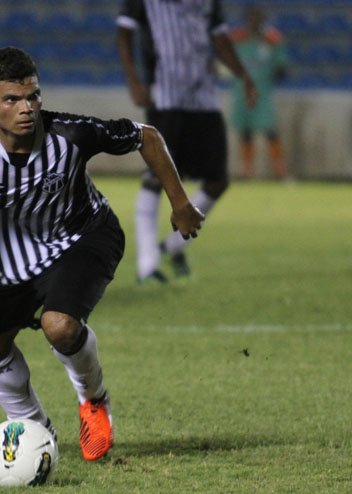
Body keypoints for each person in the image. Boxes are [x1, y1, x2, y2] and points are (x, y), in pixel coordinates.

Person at [0, 47, 204, 461]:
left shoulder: (70, 133)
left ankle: (93, 400)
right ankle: (33, 430)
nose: (26, 108)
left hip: (84, 237)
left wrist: (181, 204)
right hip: (14, 257)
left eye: (33, 96)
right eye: (12, 99)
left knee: (59, 325)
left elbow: (146, 137)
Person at [116, 0, 257, 283]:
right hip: (165, 94)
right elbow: (124, 33)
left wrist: (244, 76)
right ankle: (148, 265)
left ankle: (171, 246)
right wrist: (134, 80)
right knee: (156, 177)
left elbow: (219, 36)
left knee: (217, 180)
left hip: (203, 94)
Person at [230, 5, 289, 181]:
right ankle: (248, 172)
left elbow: (282, 66)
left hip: (262, 92)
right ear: (247, 19)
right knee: (246, 131)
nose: (255, 20)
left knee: (270, 130)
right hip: (243, 92)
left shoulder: (271, 39)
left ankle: (280, 171)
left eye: (258, 17)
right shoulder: (238, 38)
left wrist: (278, 69)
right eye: (252, 17)